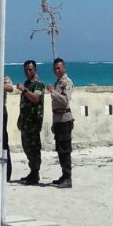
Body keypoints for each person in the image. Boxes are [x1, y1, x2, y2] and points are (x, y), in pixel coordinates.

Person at [15, 59, 46, 185]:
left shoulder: (38, 84)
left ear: (35, 70)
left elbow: (36, 98)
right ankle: (32, 171)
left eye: (30, 69)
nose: (28, 72)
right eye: (26, 70)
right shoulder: (27, 83)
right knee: (27, 147)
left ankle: (35, 173)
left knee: (34, 148)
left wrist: (24, 90)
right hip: (25, 122)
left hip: (33, 123)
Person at [45, 56, 73, 188]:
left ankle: (68, 177)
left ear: (64, 68)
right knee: (60, 149)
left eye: (59, 68)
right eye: (55, 68)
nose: (57, 70)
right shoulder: (57, 83)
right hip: (58, 119)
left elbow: (65, 100)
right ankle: (64, 175)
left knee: (65, 149)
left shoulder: (67, 83)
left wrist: (53, 92)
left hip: (65, 119)